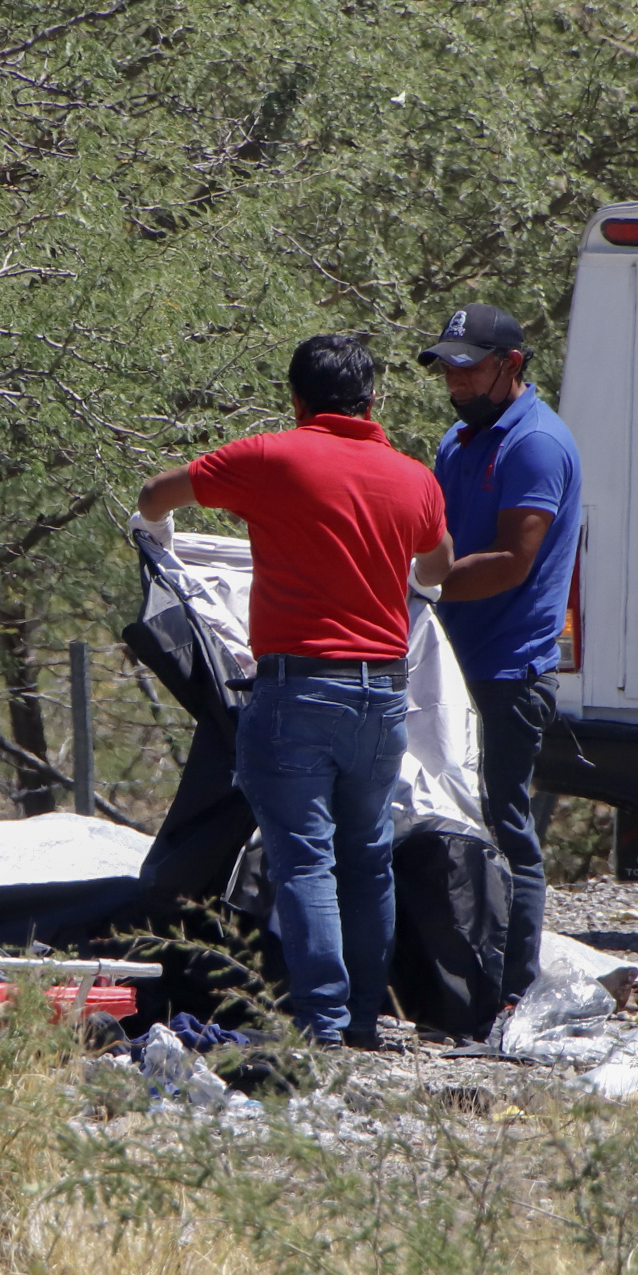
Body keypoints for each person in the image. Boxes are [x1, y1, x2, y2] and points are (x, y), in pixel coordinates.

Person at [134, 335, 455, 1048]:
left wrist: (153, 534)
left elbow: (155, 494)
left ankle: (323, 1025)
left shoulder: (270, 458)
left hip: (298, 692)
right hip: (382, 696)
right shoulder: (413, 478)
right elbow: (436, 568)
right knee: (366, 857)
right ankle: (365, 1019)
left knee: (304, 859)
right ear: (374, 400)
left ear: (296, 398)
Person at [417, 302, 582, 1008]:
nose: (453, 379)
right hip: (448, 663)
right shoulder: (459, 437)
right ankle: (457, 974)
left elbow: (514, 561)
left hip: (507, 671)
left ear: (511, 365)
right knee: (447, 819)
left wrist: (420, 581)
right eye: (446, 366)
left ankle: (514, 992)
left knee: (504, 825)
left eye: (468, 365)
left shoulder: (535, 444)